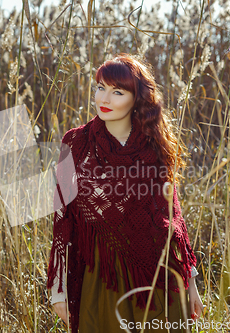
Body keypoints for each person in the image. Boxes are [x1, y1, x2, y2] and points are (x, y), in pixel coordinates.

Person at [46, 54, 204, 333]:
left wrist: (190, 281)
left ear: (137, 99)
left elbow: (174, 218)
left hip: (159, 278)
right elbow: (63, 216)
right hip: (103, 277)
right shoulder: (76, 142)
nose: (104, 99)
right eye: (100, 87)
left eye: (117, 92)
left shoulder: (155, 145)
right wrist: (59, 288)